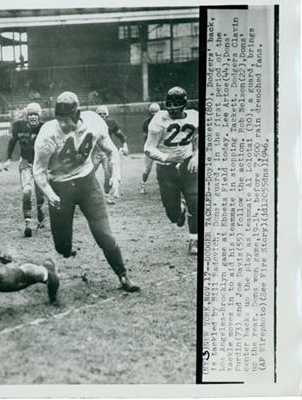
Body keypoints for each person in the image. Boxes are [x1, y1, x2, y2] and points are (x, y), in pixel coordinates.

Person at [33, 91, 140, 292]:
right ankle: (62, 254)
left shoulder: (94, 122)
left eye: (67, 120)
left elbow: (111, 150)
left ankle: (123, 276)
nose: (63, 124)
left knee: (104, 234)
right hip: (60, 186)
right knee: (63, 247)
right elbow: (38, 171)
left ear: (77, 115)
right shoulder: (47, 134)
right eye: (60, 120)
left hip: (87, 182)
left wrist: (116, 177)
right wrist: (50, 193)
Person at [144, 87, 199, 255]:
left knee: (195, 201)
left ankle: (194, 239)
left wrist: (196, 155)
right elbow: (148, 148)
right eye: (170, 107)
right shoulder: (158, 120)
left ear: (184, 105)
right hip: (166, 167)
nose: (173, 111)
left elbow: (201, 140)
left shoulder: (195, 116)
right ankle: (179, 210)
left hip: (188, 163)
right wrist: (167, 158)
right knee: (172, 214)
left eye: (176, 107)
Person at [4, 102, 46, 237]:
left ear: (39, 115)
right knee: (26, 191)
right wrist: (9, 159)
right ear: (26, 116)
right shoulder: (18, 126)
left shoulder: (44, 127)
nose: (33, 117)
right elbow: (12, 141)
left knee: (40, 196)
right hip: (25, 163)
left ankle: (40, 210)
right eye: (30, 114)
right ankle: (27, 224)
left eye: (35, 114)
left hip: (40, 165)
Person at [92, 105, 129, 204]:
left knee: (108, 175)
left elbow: (121, 136)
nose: (102, 116)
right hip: (94, 152)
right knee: (88, 174)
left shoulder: (111, 123)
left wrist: (125, 146)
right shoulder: (91, 124)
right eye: (100, 114)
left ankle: (107, 196)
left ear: (107, 115)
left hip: (107, 153)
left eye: (104, 114)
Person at [140, 102, 161, 194]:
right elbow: (145, 137)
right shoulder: (147, 122)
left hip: (161, 147)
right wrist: (148, 148)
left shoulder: (164, 121)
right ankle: (143, 185)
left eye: (156, 112)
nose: (154, 114)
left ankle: (164, 185)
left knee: (164, 167)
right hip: (151, 146)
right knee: (146, 169)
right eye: (152, 112)